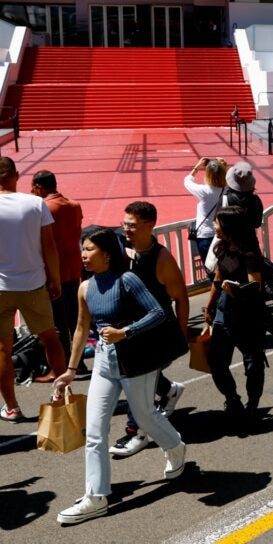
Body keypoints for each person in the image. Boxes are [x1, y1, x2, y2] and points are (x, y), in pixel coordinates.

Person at [52, 229, 186, 525]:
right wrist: (71, 370)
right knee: (95, 431)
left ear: (107, 254)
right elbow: (80, 328)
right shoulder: (85, 287)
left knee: (146, 417)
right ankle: (96, 497)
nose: (83, 255)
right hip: (104, 362)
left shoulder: (127, 280)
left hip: (135, 361)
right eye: (82, 249)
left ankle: (175, 446)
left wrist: (125, 332)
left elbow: (158, 313)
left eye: (89, 249)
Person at [109, 201, 189, 459]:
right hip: (126, 331)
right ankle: (169, 390)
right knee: (134, 378)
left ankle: (136, 433)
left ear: (150, 225)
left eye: (132, 226)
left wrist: (182, 332)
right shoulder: (119, 248)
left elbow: (181, 297)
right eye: (124, 224)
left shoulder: (162, 259)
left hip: (154, 333)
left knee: (135, 383)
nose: (126, 230)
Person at [0, 158, 67, 422]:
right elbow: (49, 246)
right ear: (16, 175)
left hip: (1, 287)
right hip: (33, 284)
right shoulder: (36, 203)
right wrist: (55, 280)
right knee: (51, 338)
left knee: (3, 349)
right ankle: (61, 395)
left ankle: (12, 407)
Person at [202, 208, 268, 425]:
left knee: (253, 363)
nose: (214, 226)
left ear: (230, 226)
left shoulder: (249, 254)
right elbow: (218, 278)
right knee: (216, 361)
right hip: (224, 311)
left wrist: (236, 291)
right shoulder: (222, 247)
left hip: (247, 316)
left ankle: (252, 405)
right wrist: (210, 306)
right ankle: (232, 399)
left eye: (217, 223)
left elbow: (255, 286)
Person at [30, 170, 83, 367]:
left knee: (57, 320)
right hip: (73, 268)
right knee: (74, 316)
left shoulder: (42, 208)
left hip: (53, 271)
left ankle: (66, 361)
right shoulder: (74, 205)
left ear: (38, 187)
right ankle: (78, 361)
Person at [184, 156, 226, 268]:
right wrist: (223, 167)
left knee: (210, 269)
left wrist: (197, 167)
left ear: (208, 175)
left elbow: (187, 181)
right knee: (224, 268)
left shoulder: (204, 191)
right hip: (223, 235)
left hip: (205, 235)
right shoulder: (227, 189)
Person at [225, 162, 264, 253]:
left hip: (230, 245)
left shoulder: (225, 199)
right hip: (251, 243)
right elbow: (257, 223)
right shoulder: (255, 200)